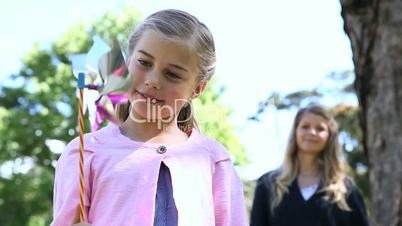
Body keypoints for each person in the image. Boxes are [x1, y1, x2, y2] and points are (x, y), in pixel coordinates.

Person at [51, 9, 248, 226]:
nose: (153, 80)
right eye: (144, 63)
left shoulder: (215, 161)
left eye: (172, 74)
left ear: (198, 89)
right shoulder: (84, 154)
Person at [250, 105, 369, 226]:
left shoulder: (345, 190)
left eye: (320, 129)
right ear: (295, 132)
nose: (312, 132)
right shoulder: (268, 184)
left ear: (329, 136)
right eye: (305, 127)